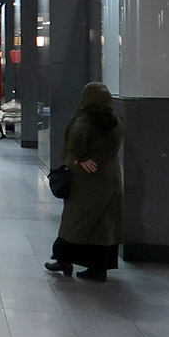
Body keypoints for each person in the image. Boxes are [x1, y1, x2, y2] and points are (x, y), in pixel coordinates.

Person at [45, 82, 125, 283]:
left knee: (75, 221)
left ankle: (63, 259)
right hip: (111, 177)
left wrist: (81, 157)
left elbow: (76, 136)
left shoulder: (85, 118)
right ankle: (98, 268)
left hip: (88, 179)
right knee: (104, 226)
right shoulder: (114, 121)